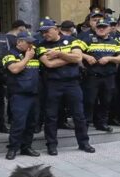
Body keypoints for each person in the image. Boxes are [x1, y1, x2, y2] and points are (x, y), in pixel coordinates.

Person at [36, 19, 94, 155]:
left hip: (72, 83)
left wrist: (58, 54)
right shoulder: (41, 46)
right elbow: (49, 64)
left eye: (47, 31)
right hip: (53, 84)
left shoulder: (72, 40)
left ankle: (84, 143)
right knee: (51, 116)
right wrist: (69, 57)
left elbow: (78, 58)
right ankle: (51, 145)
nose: (45, 34)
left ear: (56, 29)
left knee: (79, 115)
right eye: (42, 32)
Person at [82, 17, 120, 132]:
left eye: (104, 27)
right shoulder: (88, 40)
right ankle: (85, 124)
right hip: (93, 76)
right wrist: (87, 56)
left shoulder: (114, 42)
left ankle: (102, 123)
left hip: (109, 77)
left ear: (109, 28)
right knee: (89, 101)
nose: (101, 29)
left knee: (106, 101)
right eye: (99, 27)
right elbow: (76, 52)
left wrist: (109, 58)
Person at [3, 32, 41, 160]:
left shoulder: (34, 53)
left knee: (31, 123)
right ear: (19, 42)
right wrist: (27, 58)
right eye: (28, 42)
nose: (31, 45)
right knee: (19, 123)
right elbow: (14, 69)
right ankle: (13, 148)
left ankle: (26, 147)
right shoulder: (10, 54)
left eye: (32, 42)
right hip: (19, 95)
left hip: (34, 94)